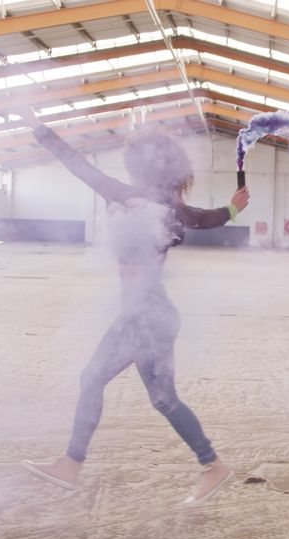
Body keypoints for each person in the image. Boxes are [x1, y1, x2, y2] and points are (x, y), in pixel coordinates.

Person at [17, 109, 250, 505]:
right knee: (164, 400)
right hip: (153, 315)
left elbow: (75, 163)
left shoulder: (124, 195)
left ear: (139, 165)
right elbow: (209, 218)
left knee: (93, 378)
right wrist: (232, 209)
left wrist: (39, 128)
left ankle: (71, 463)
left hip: (145, 316)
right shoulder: (173, 208)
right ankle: (212, 465)